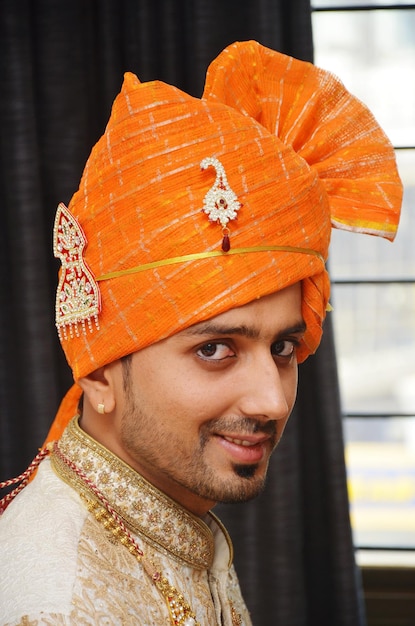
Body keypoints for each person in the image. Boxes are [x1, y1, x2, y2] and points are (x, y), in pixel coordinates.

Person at [0, 40, 401, 626]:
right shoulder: (59, 602)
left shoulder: (165, 521)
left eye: (284, 347)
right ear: (99, 369)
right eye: (215, 350)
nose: (271, 400)